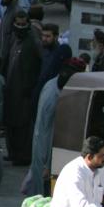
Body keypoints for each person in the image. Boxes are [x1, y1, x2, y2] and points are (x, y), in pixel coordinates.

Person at [22, 60, 85, 196]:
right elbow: (44, 131)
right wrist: (46, 164)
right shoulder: (52, 95)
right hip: (44, 150)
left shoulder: (55, 83)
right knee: (42, 190)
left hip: (48, 147)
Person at [2, 10, 43, 166]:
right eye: (17, 24)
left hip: (24, 92)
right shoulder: (14, 39)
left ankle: (22, 155)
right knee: (11, 123)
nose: (20, 27)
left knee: (22, 125)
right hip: (11, 90)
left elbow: (39, 63)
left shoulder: (32, 42)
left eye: (22, 24)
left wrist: (30, 86)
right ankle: (13, 153)